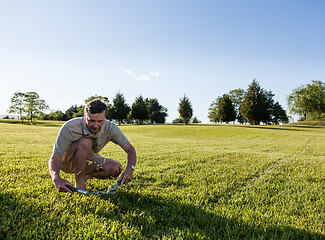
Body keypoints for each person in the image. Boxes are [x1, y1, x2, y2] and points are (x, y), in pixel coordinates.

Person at [48, 99, 136, 193]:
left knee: (115, 168)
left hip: (88, 160)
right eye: (91, 121)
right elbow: (55, 157)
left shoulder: (111, 128)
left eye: (100, 121)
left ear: (105, 117)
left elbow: (130, 149)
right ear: (85, 117)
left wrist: (130, 169)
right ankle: (80, 185)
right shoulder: (69, 127)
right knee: (86, 142)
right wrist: (56, 178)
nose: (95, 125)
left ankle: (86, 176)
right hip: (67, 162)